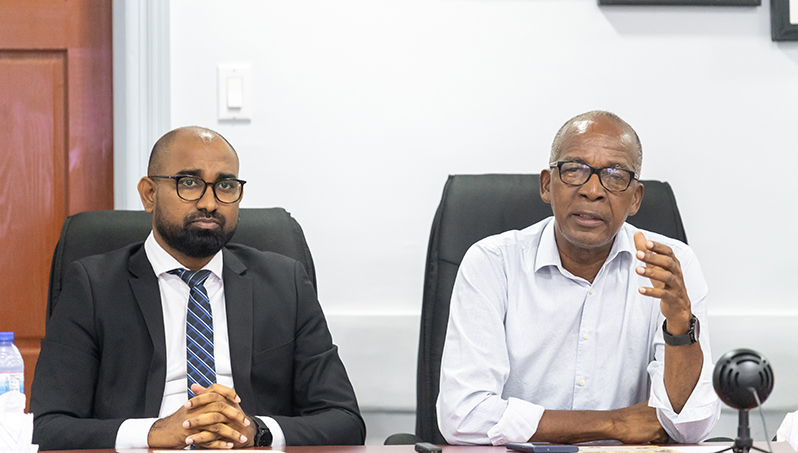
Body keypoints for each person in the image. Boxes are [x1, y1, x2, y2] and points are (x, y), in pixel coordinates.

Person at [30, 126, 365, 450]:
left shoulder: (284, 283)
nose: (209, 202)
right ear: (149, 194)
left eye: (226, 185)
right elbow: (47, 427)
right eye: (188, 183)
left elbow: (345, 420)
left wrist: (255, 430)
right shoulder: (93, 287)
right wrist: (153, 432)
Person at [436, 111, 720, 445]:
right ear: (546, 184)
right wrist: (614, 423)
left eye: (615, 175)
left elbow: (690, 428)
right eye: (574, 170)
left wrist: (680, 326)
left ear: (636, 198)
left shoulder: (671, 265)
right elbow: (462, 415)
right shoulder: (492, 264)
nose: (592, 190)